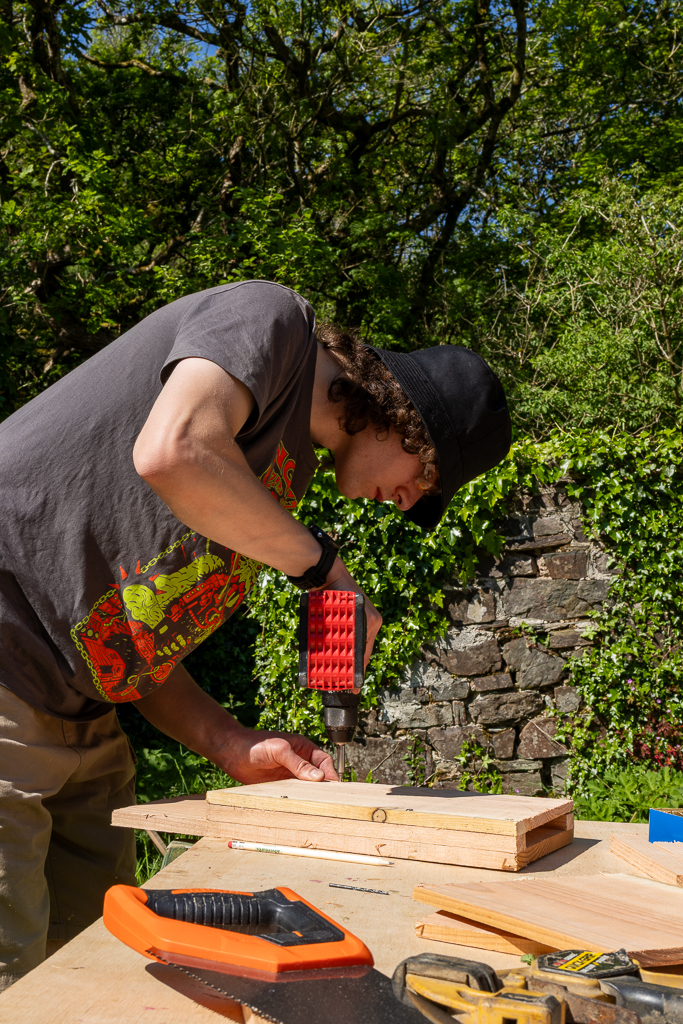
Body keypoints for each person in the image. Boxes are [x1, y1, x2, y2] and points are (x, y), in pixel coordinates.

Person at [0, 279, 511, 988]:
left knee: (102, 980)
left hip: (81, 714)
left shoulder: (279, 484)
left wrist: (231, 744)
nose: (407, 501)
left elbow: (134, 643)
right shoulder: (271, 320)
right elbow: (172, 450)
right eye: (426, 478)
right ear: (408, 419)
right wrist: (324, 568)